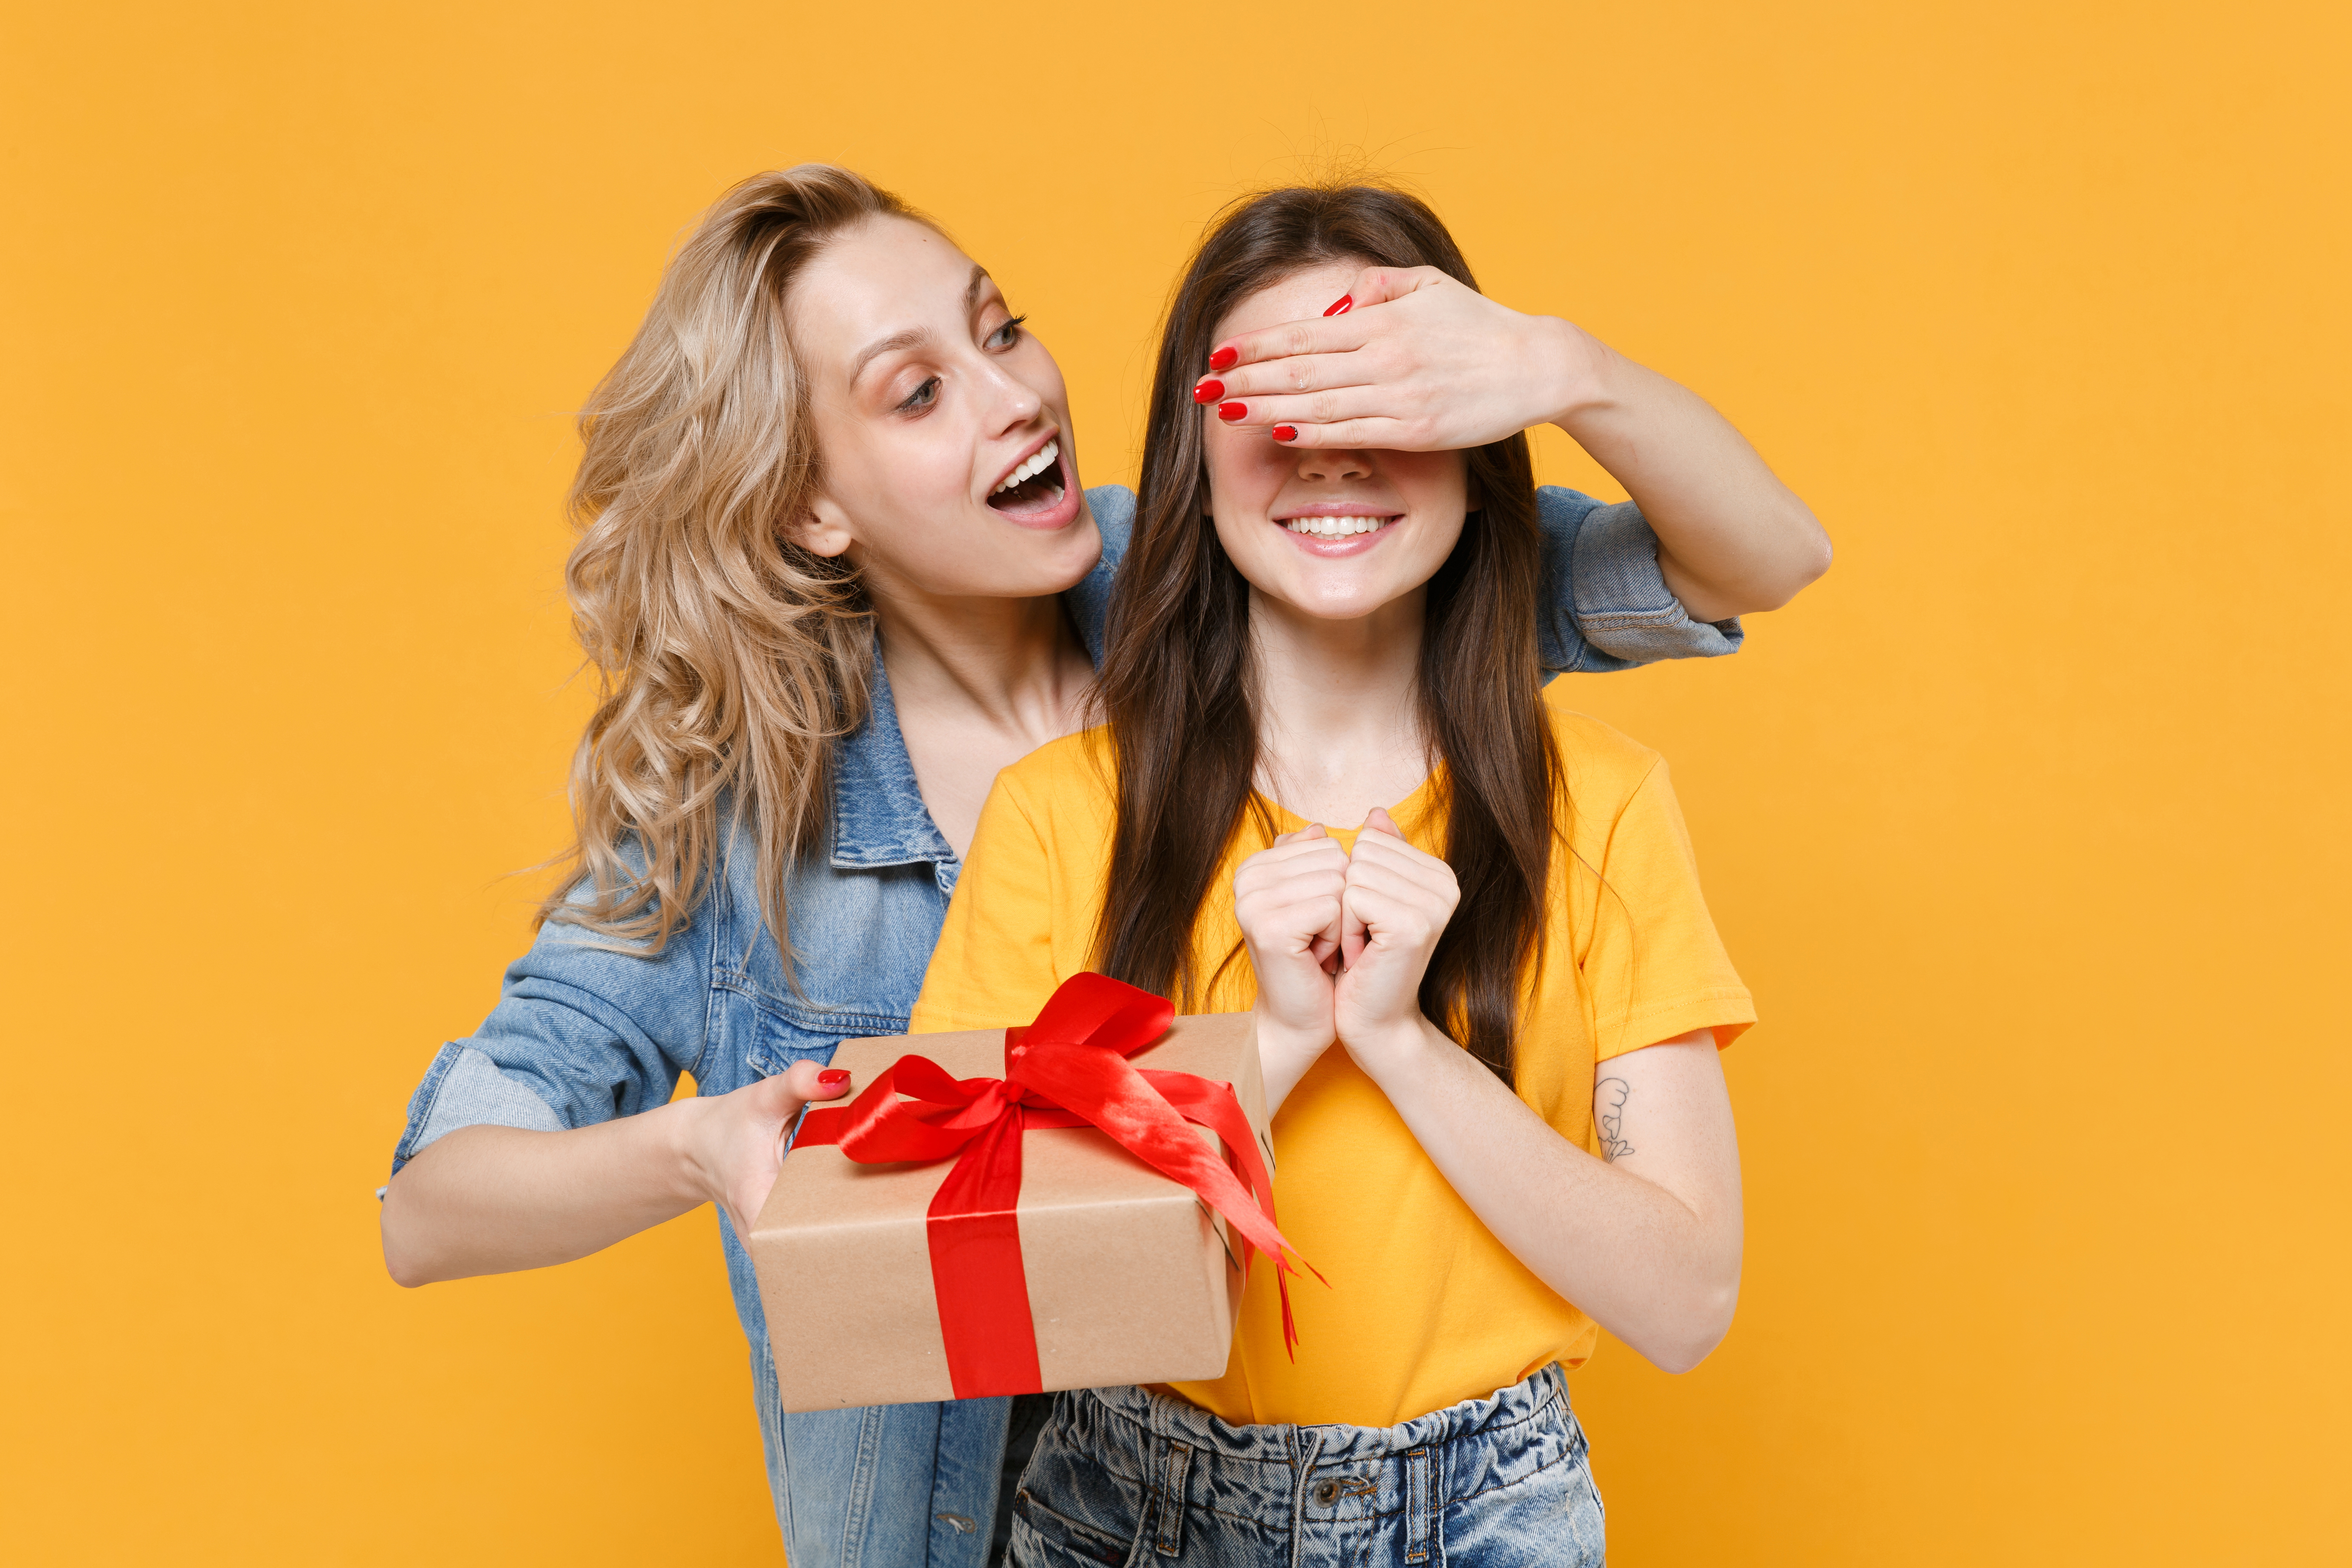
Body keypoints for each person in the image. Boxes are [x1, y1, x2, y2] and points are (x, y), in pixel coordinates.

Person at [378, 165, 1826, 1566]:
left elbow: (1721, 564)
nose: (1013, 393)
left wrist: (1554, 371)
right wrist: (700, 1145)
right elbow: (434, 1204)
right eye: (917, 387)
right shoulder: (785, 831)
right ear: (810, 502)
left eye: (1000, 326)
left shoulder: (1271, 560)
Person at [912, 183, 1778, 1565]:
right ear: (1193, 455)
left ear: (1476, 449)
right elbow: (973, 1300)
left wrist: (1397, 1041)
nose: (1330, 455)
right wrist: (1269, 1047)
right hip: (1122, 1512)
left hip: (1489, 1512)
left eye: (1385, 402)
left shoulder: (1598, 805)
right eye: (1275, 404)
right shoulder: (1060, 816)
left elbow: (1684, 1302)